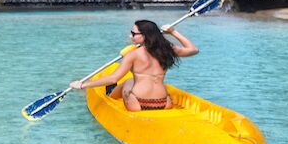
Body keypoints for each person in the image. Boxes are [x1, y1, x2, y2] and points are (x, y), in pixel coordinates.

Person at [69, 20, 198, 111]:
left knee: (127, 82)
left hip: (138, 103)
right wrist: (173, 32)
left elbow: (113, 78)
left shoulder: (133, 54)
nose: (130, 36)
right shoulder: (167, 49)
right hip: (164, 103)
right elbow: (193, 50)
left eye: (133, 34)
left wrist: (83, 85)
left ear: (145, 36)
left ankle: (109, 95)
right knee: (131, 80)